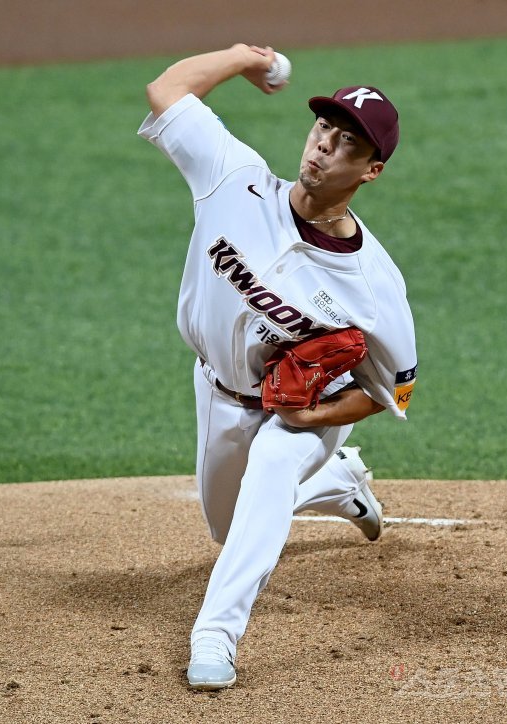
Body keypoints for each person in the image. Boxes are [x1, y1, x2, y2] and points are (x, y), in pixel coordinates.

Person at [138, 43, 417, 690]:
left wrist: (317, 416)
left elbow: (393, 392)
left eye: (347, 144)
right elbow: (166, 91)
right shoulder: (234, 178)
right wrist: (241, 57)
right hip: (217, 390)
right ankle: (339, 485)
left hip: (303, 413)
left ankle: (216, 635)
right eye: (323, 128)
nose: (324, 147)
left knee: (271, 465)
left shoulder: (373, 285)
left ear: (370, 170)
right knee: (225, 525)